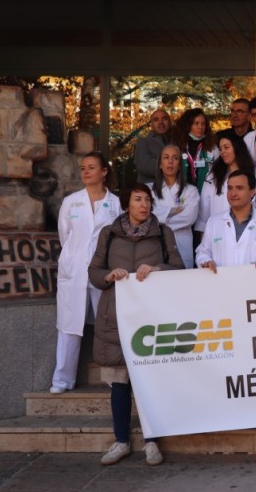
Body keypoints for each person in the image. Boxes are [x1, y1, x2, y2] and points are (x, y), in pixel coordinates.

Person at [88, 183, 184, 466]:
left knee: (148, 382)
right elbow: (94, 272)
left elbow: (179, 269)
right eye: (138, 199)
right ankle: (121, 441)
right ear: (126, 204)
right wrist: (108, 276)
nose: (144, 205)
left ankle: (151, 441)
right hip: (116, 315)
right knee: (119, 381)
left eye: (147, 200)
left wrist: (156, 269)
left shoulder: (162, 233)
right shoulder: (109, 233)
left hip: (149, 317)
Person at [50, 152, 121, 395]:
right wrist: (74, 259)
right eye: (83, 168)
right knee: (69, 325)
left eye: (91, 167)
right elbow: (65, 236)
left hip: (103, 271)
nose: (86, 172)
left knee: (108, 324)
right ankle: (62, 380)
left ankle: (114, 377)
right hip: (75, 270)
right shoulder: (71, 202)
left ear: (104, 172)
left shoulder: (115, 203)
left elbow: (117, 238)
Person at [195, 170, 256, 270]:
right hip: (221, 279)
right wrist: (206, 261)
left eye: (239, 188)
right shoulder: (213, 223)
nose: (233, 193)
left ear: (252, 192)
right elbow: (202, 252)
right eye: (230, 188)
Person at [196, 135, 256, 234]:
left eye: (226, 147)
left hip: (251, 233)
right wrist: (204, 236)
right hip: (219, 233)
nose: (222, 152)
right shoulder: (213, 177)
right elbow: (203, 213)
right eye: (220, 149)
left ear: (237, 148)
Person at [151, 144, 200, 269]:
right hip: (156, 244)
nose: (170, 161)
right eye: (166, 157)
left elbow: (189, 218)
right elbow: (147, 217)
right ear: (160, 164)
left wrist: (160, 221)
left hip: (181, 245)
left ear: (179, 165)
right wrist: (173, 211)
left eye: (175, 158)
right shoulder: (149, 191)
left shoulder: (191, 191)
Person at [171, 108, 217, 194]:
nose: (200, 127)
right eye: (196, 123)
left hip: (206, 193)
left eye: (203, 124)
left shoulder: (212, 147)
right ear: (188, 125)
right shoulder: (177, 146)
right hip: (182, 193)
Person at [134, 109, 171, 183]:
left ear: (170, 122)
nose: (161, 122)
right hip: (150, 187)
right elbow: (145, 166)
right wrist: (173, 166)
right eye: (156, 120)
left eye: (164, 119)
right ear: (151, 125)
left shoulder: (179, 142)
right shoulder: (143, 143)